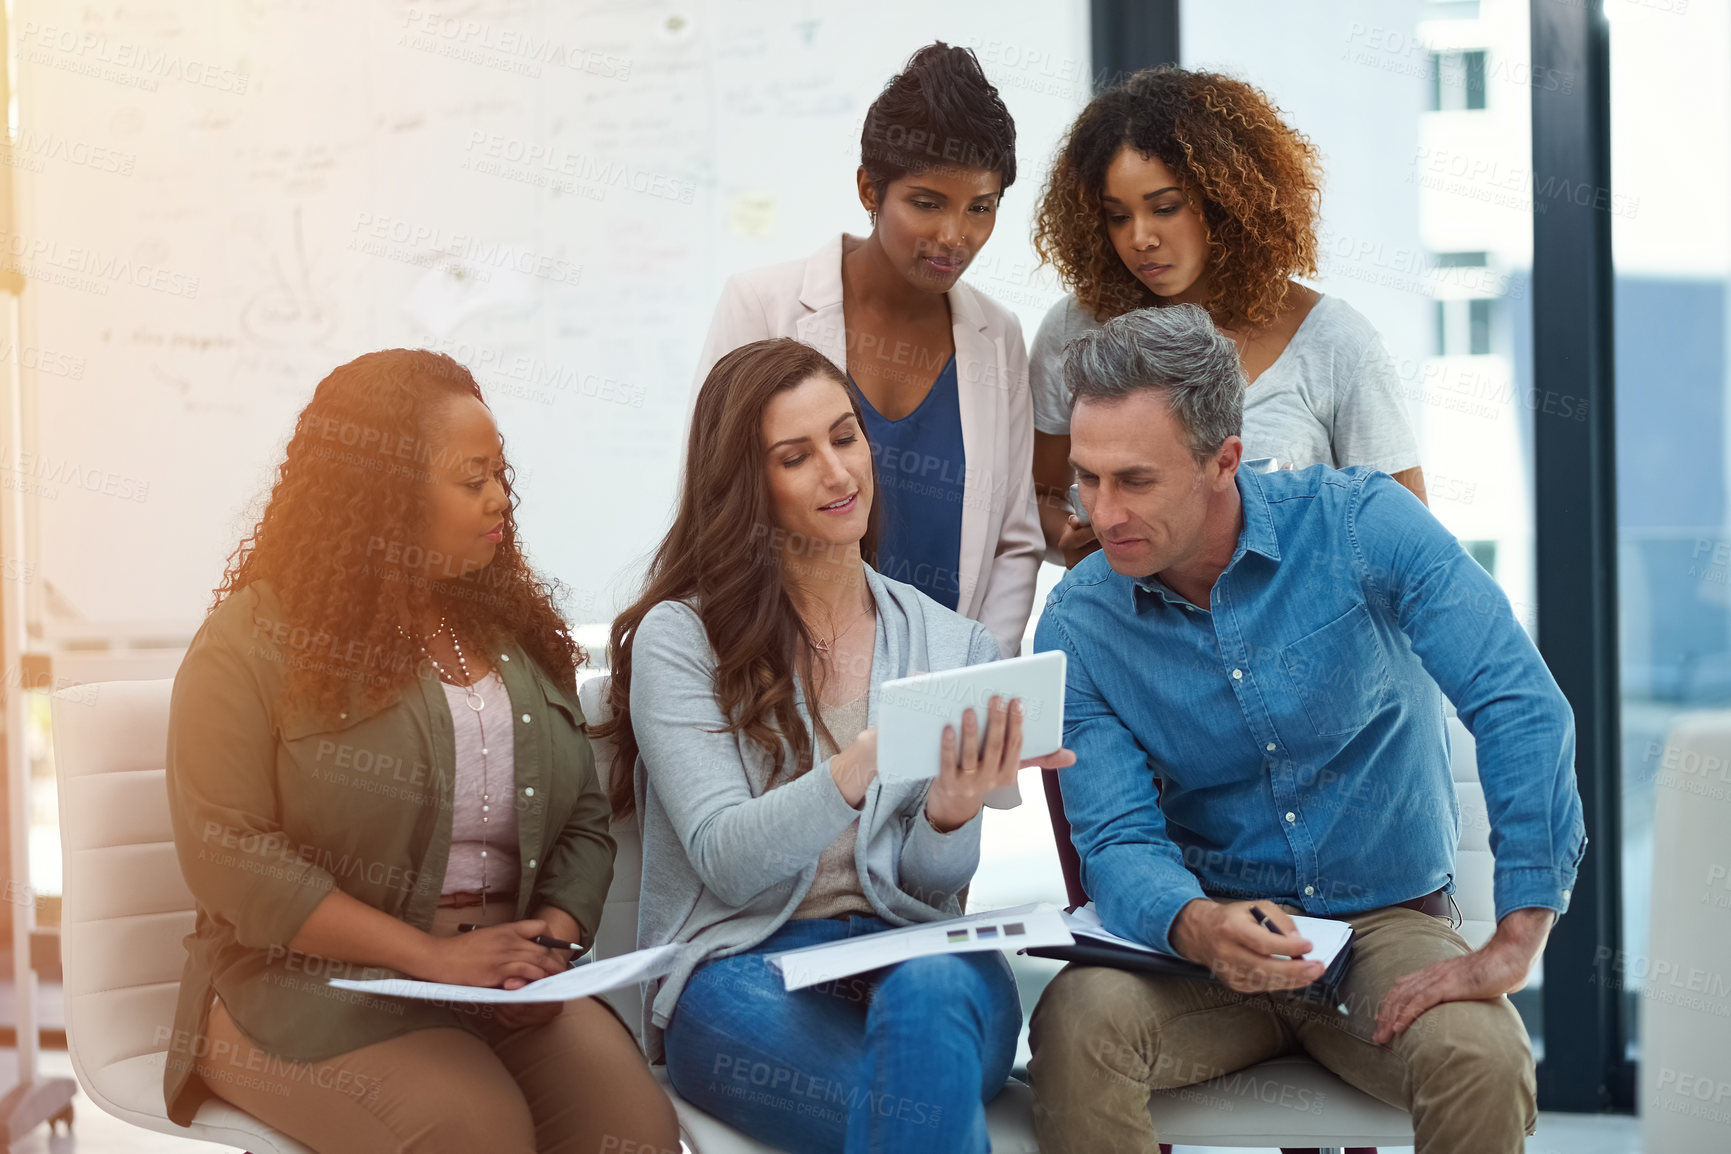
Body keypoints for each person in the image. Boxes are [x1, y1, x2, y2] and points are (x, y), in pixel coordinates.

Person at [1026, 307, 1584, 1154]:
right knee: (1076, 1019)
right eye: (1086, 479)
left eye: (1133, 481)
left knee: (1481, 1056)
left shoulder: (1362, 526)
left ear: (1223, 460)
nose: (1100, 516)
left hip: (1381, 933)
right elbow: (1114, 838)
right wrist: (1193, 925)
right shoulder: (1080, 622)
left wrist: (1517, 935)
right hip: (1205, 951)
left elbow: (1516, 700)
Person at [163, 349, 678, 1154]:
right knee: (473, 1133)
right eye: (471, 481)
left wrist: (550, 938)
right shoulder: (253, 640)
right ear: (383, 497)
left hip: (499, 973)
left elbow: (580, 814)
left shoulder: (510, 628)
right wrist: (429, 957)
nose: (499, 500)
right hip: (307, 986)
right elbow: (229, 854)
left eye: (501, 475)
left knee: (636, 1133)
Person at [597, 338, 1072, 1152]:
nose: (838, 473)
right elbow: (727, 860)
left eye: (845, 437)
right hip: (744, 966)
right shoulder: (681, 641)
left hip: (919, 955)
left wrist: (951, 816)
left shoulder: (949, 643)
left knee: (927, 1011)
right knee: (918, 1108)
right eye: (796, 456)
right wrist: (862, 762)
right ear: (748, 485)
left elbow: (933, 888)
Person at [692, 42, 1042, 656]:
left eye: (980, 209)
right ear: (869, 189)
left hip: (946, 694)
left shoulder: (998, 336)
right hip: (788, 670)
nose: (954, 236)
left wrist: (976, 677)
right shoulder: (762, 306)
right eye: (926, 203)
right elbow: (715, 504)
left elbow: (1013, 541)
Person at [1029, 66, 1427, 568]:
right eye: (1118, 215)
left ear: (1224, 201)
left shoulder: (1335, 344)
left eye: (1166, 208)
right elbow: (1040, 500)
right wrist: (1075, 541)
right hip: (1135, 634)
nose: (1140, 238)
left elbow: (1409, 544)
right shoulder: (1073, 330)